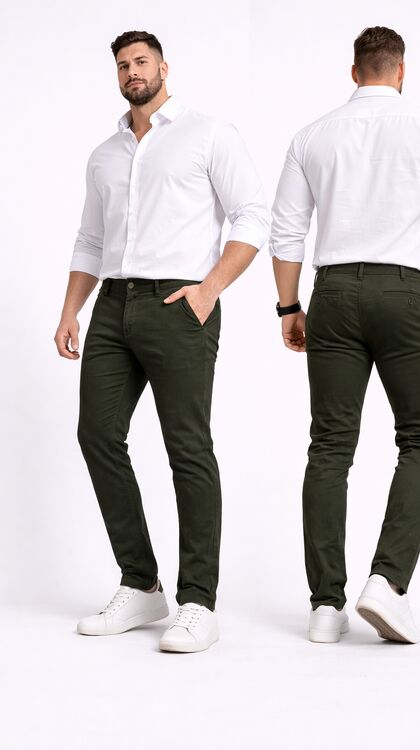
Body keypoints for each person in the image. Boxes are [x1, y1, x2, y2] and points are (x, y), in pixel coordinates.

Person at [54, 30, 269, 653]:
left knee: (187, 447)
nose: (132, 71)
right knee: (97, 434)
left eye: (141, 61)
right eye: (123, 64)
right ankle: (142, 584)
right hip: (112, 305)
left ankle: (199, 601)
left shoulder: (208, 133)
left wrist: (209, 289)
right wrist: (70, 311)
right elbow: (90, 239)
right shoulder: (104, 155)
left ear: (164, 67)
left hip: (181, 304)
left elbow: (252, 215)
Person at [270, 26, 420, 644]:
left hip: (332, 295)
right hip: (408, 293)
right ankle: (387, 583)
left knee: (329, 447)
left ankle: (324, 607)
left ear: (354, 71)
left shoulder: (312, 135)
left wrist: (290, 306)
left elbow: (286, 233)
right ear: (401, 70)